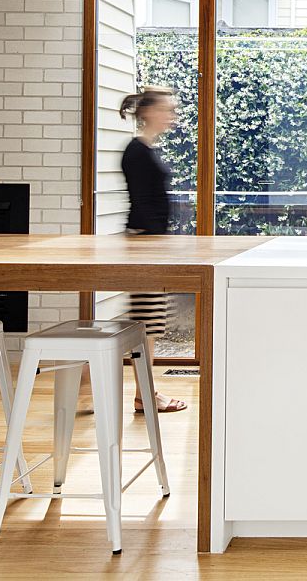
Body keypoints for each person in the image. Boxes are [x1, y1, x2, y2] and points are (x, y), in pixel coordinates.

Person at [119, 87, 188, 414]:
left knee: (150, 324)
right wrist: (155, 246)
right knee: (146, 325)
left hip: (151, 245)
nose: (171, 116)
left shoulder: (146, 149)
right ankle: (145, 395)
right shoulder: (137, 152)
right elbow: (144, 206)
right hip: (145, 246)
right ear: (147, 112)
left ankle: (142, 392)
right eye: (167, 109)